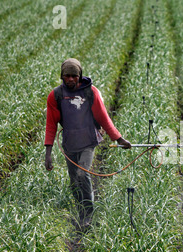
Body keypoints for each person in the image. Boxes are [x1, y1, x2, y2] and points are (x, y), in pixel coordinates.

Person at [44, 58, 131, 231]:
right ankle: (81, 210)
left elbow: (103, 117)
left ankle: (88, 214)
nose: (70, 79)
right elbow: (51, 124)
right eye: (67, 76)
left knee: (83, 174)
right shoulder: (56, 95)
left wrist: (119, 138)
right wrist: (48, 153)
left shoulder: (91, 92)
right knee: (74, 181)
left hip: (88, 141)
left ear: (79, 76)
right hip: (69, 143)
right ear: (61, 76)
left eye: (74, 76)